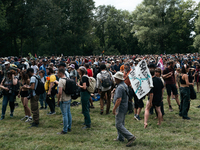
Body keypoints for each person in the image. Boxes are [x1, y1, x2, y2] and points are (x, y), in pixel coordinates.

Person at [112, 72, 136, 147]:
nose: (114, 79)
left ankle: (130, 136)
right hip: (125, 106)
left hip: (120, 106)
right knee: (121, 122)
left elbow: (119, 99)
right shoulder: (124, 85)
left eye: (115, 78)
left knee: (118, 124)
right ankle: (120, 137)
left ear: (118, 79)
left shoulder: (119, 87)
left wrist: (114, 108)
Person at [57, 68, 72, 134]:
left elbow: (60, 92)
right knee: (69, 113)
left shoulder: (61, 81)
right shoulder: (68, 79)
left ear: (60, 73)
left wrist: (58, 100)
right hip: (69, 98)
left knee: (64, 114)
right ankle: (69, 127)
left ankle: (65, 130)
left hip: (63, 99)